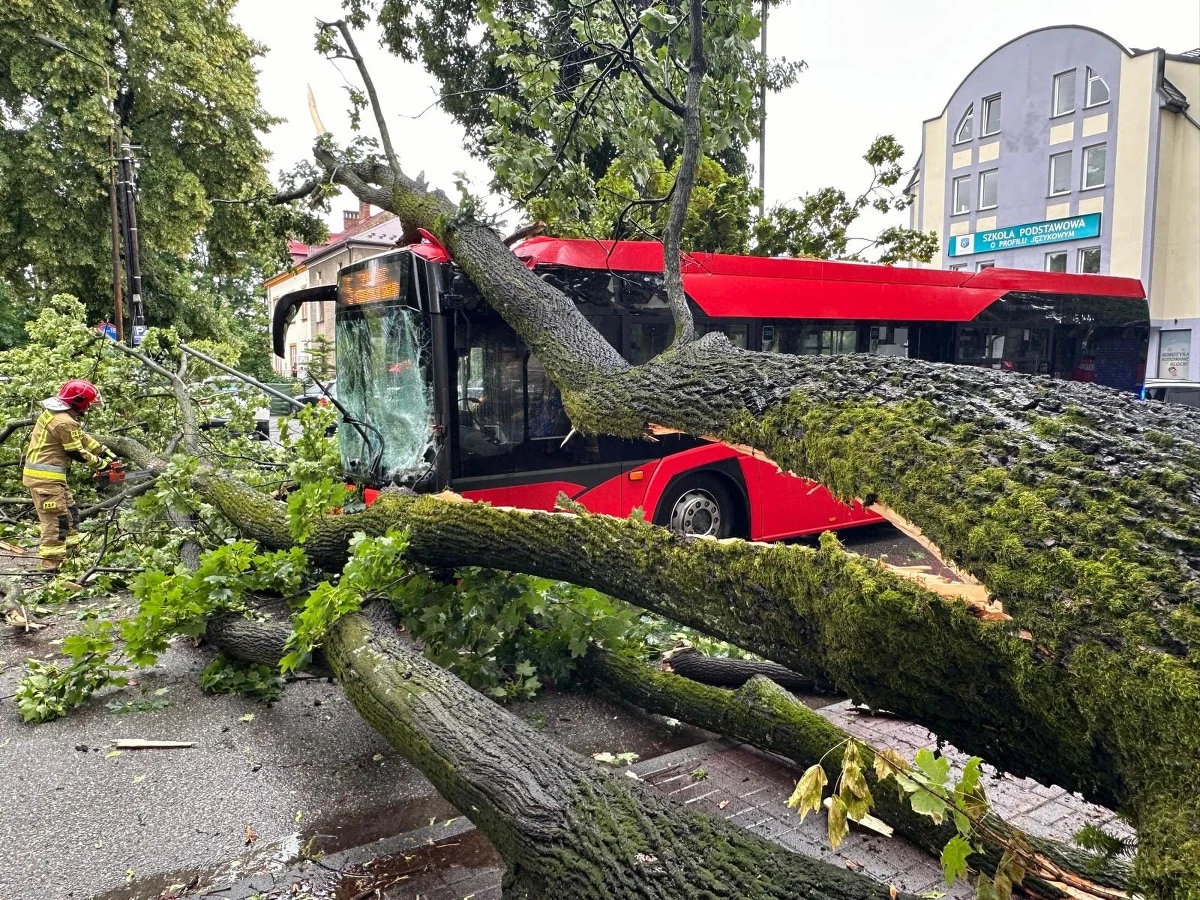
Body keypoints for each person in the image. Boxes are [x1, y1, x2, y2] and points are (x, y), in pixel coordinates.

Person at [21, 380, 120, 572]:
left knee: (71, 514)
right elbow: (76, 451)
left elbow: (81, 437)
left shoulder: (60, 414)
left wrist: (104, 452)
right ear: (80, 402)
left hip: (53, 479)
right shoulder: (64, 422)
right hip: (45, 480)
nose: (90, 407)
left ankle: (73, 556)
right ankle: (50, 566)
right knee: (56, 522)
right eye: (88, 403)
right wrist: (102, 464)